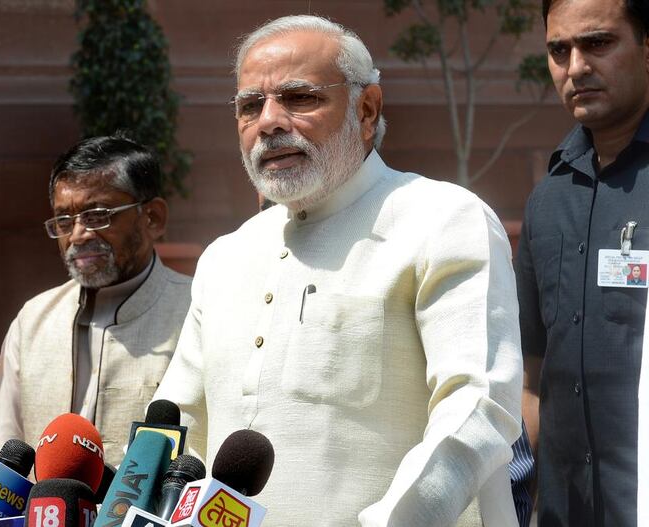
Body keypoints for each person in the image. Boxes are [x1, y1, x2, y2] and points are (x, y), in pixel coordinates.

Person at [154, 15, 523, 526]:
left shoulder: (441, 219)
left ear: (366, 109)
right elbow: (178, 423)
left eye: (299, 98)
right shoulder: (226, 257)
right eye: (250, 105)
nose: (269, 121)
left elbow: (479, 406)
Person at [0, 135, 192, 476]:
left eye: (98, 216)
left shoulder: (197, 310)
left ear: (153, 218)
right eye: (64, 222)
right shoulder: (35, 320)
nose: (79, 235)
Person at [516, 0, 649, 525]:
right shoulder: (547, 199)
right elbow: (532, 376)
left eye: (597, 43)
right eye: (558, 50)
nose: (575, 68)